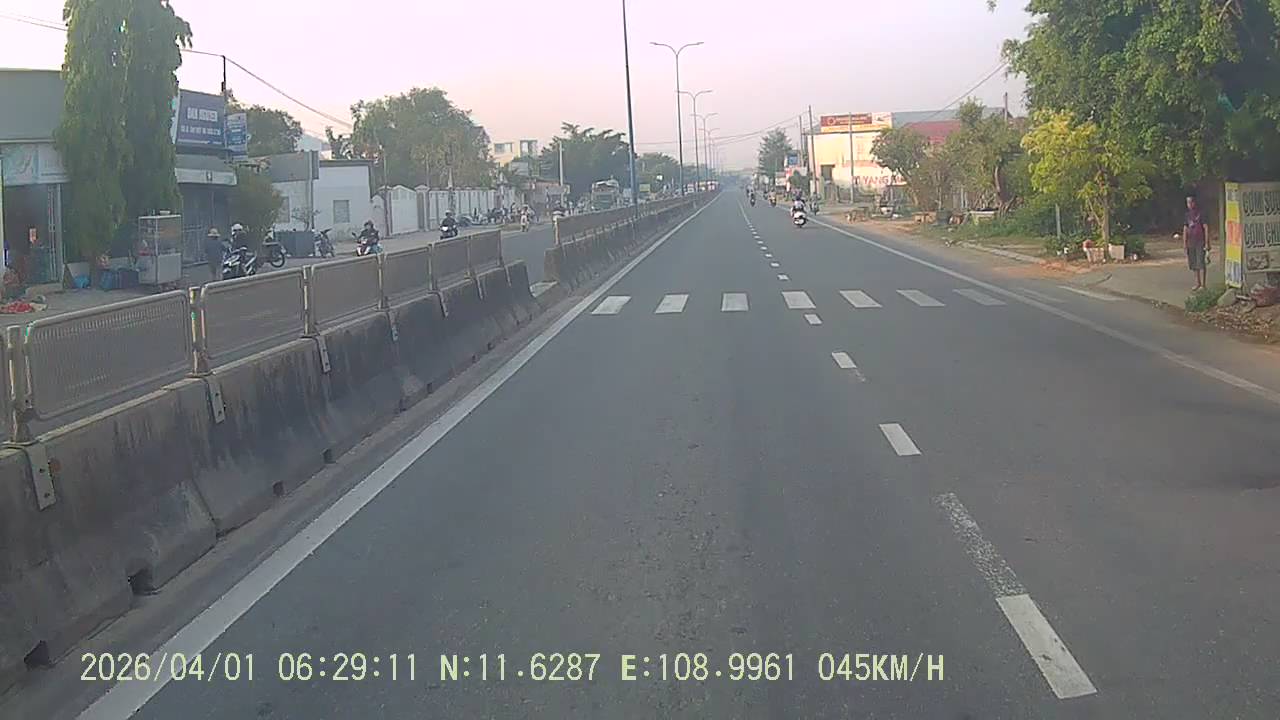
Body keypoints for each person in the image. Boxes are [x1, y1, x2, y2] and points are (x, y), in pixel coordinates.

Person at [1184, 195, 1210, 290]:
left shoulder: (1201, 214)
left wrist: (1207, 242)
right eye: (1187, 202)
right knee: (1193, 263)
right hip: (1191, 241)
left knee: (1201, 262)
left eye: (1190, 202)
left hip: (1200, 241)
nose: (1189, 204)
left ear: (1194, 203)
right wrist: (1184, 243)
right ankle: (1197, 283)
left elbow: (1206, 228)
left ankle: (1203, 284)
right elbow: (1185, 228)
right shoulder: (1187, 215)